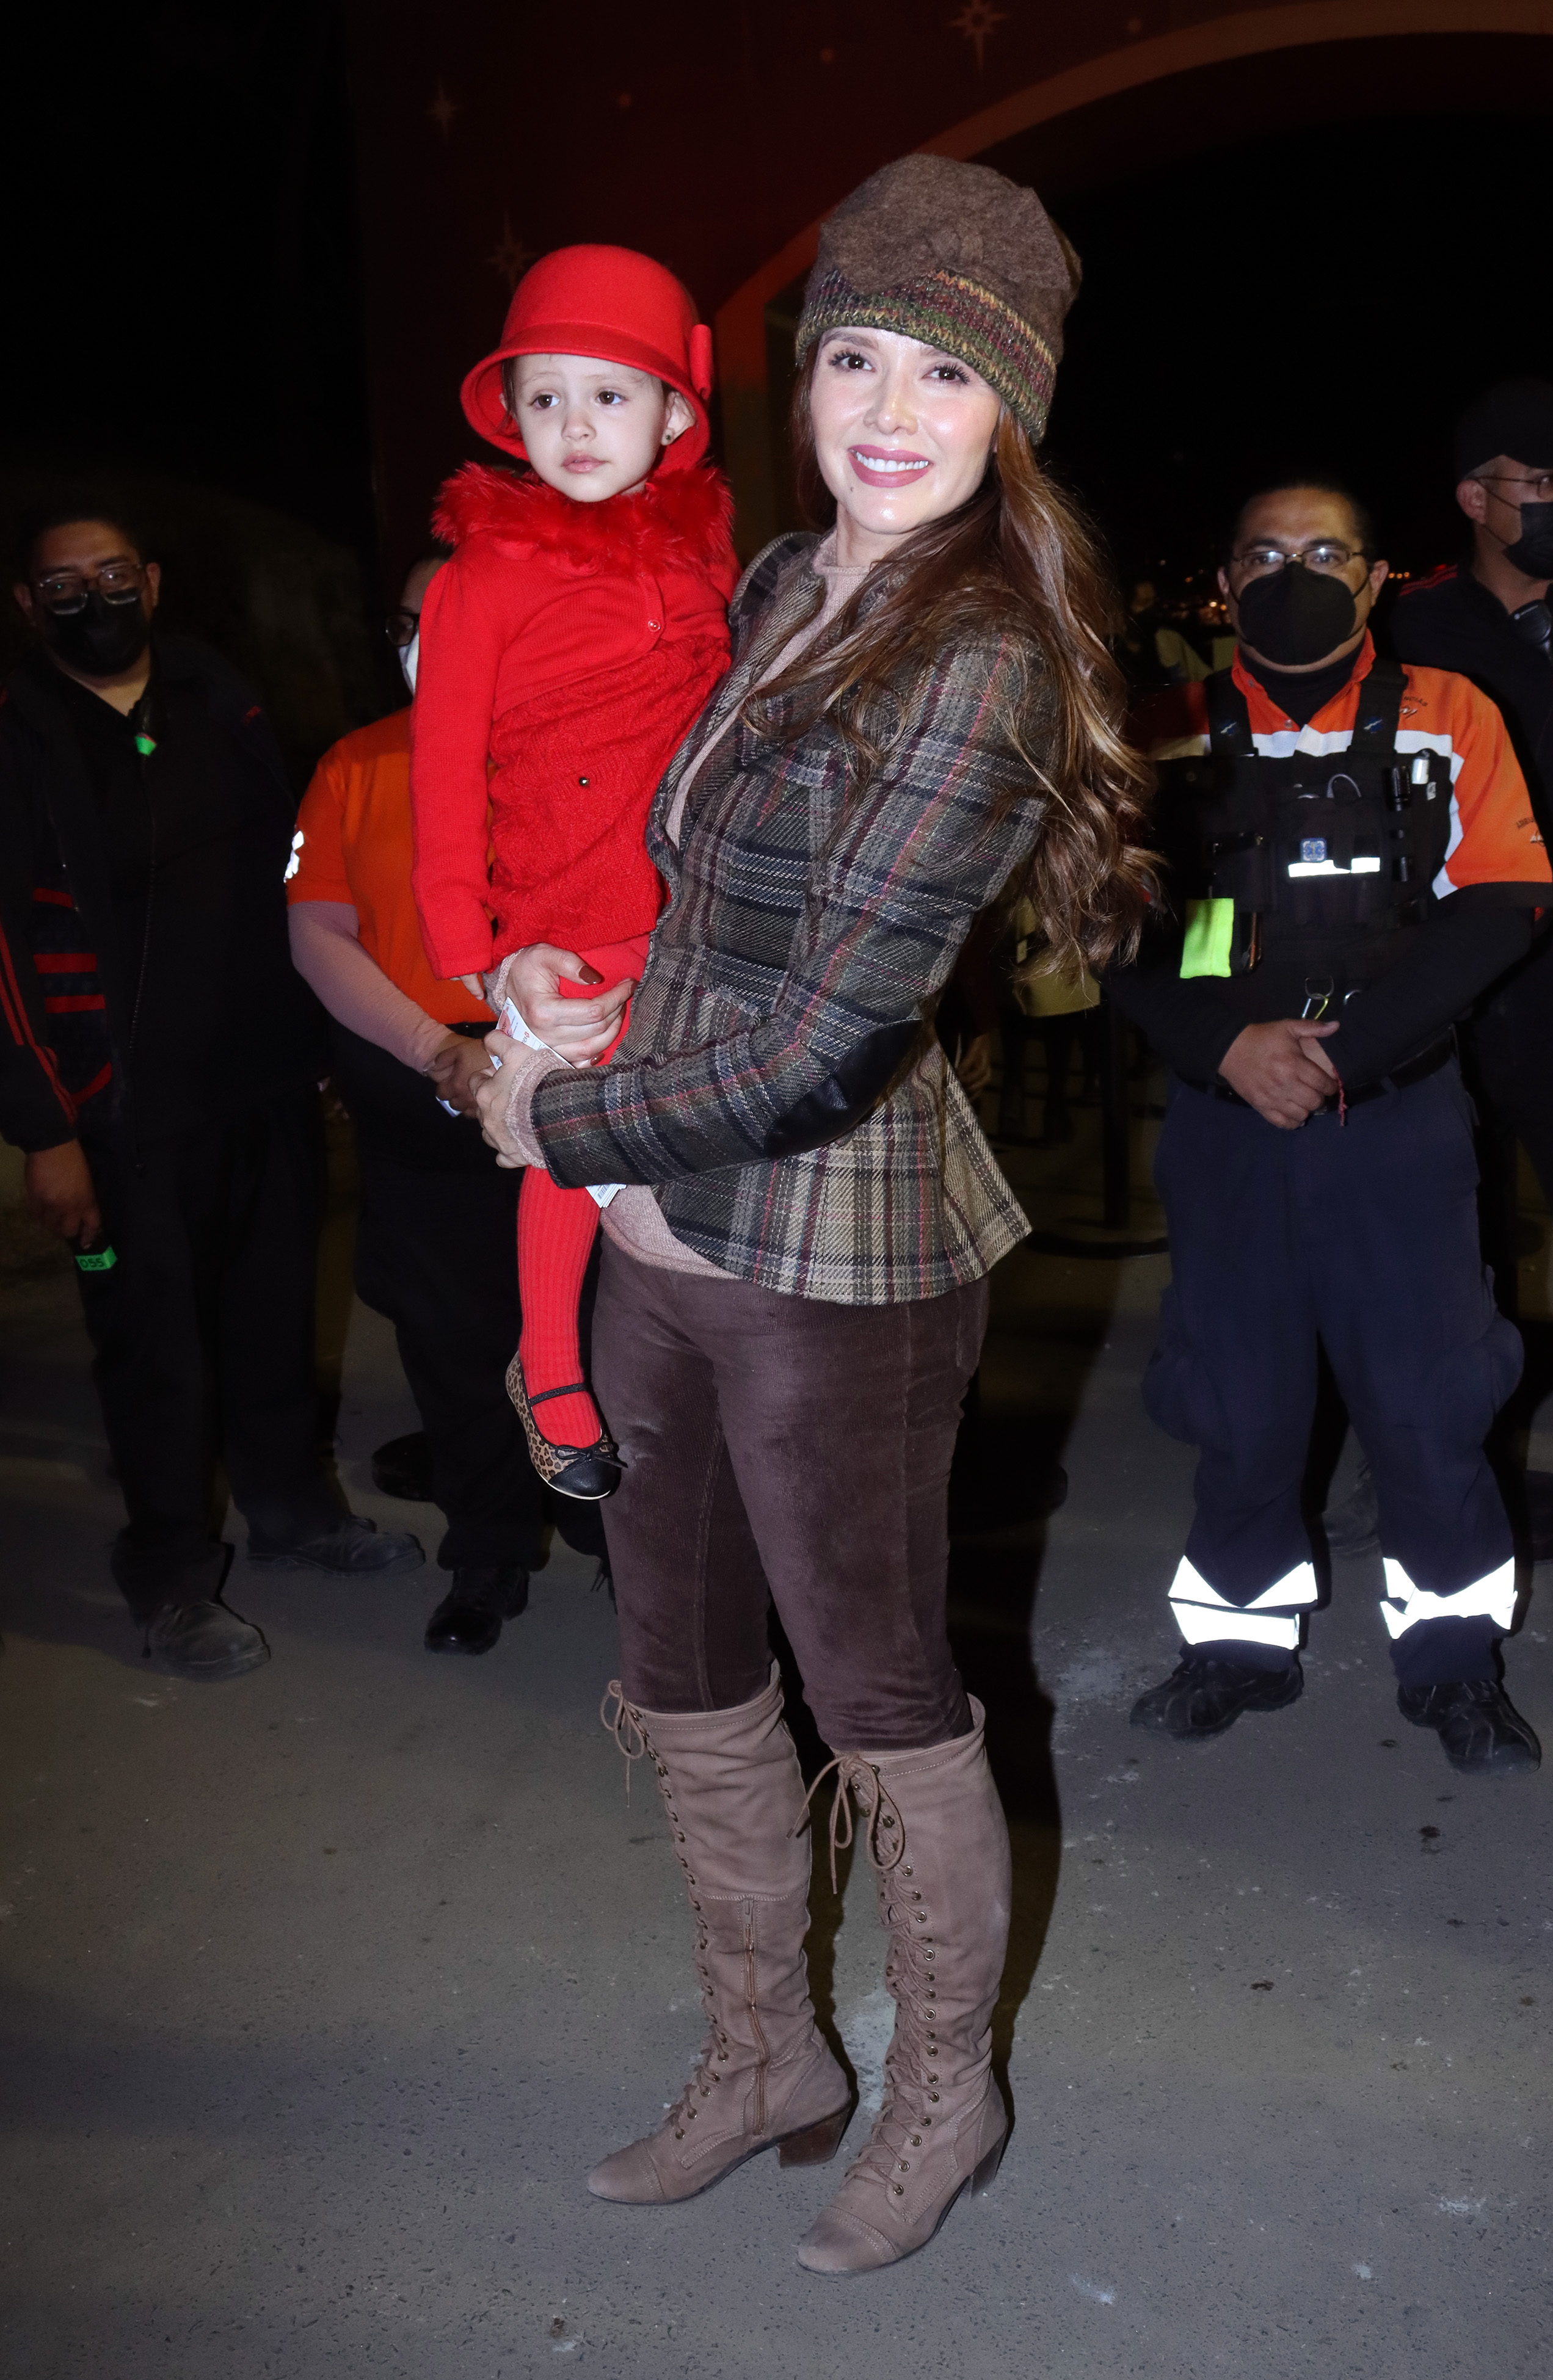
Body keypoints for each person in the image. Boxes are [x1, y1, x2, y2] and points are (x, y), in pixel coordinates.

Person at [472, 154, 1152, 2274]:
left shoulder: (982, 660)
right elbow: (702, 913)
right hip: (662, 1225)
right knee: (678, 1658)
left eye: (941, 370)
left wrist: (558, 1114)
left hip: (831, 1252)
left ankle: (946, 2081)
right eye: (853, 352)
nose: (884, 403)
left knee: (876, 1682)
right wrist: (543, 982)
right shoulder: (782, 582)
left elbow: (830, 1033)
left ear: (1008, 408)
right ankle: (766, 2046)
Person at [1109, 478, 1553, 1776]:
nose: (1291, 571)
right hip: (1226, 1119)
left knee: (1428, 1401)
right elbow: (1114, 929)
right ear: (1225, 579)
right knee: (1237, 1397)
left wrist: (1348, 1055)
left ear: (1372, 583)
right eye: (1262, 552)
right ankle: (1235, 1646)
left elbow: (1503, 902)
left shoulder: (1448, 714)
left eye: (1322, 552)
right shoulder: (1159, 730)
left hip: (1395, 1121)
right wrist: (1226, 1046)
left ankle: (1455, 1663)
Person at [0, 504, 421, 1681]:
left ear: (155, 580)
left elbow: (284, 878)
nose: (95, 598)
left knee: (272, 1318)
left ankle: (293, 1512)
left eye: (114, 574)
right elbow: (2, 958)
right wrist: (46, 1130)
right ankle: (174, 1578)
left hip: (260, 1083)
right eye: (64, 584)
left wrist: (321, 1037)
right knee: (155, 1356)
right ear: (28, 608)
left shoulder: (214, 696)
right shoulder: (20, 739)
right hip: (120, 1119)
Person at [409, 247, 738, 1498]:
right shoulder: (479, 576)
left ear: (672, 416)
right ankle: (546, 1359)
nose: (575, 425)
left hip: (693, 906)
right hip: (559, 919)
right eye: (545, 398)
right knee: (565, 1133)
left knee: (679, 1153)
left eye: (610, 394)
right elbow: (441, 773)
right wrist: (484, 958)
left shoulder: (707, 561)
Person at [288, 554, 599, 1656]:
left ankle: (620, 1540)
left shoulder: (589, 751)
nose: (431, 639)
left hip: (577, 1102)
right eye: (411, 620)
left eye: (459, 616)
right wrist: (437, 1052)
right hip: (420, 1097)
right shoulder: (358, 764)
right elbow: (317, 934)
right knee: (454, 1343)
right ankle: (489, 1552)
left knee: (605, 1332)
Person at [1393, 381, 1553, 1500]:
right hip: (1459, 982)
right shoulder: (1418, 631)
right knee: (1456, 1243)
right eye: (1541, 484)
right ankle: (1466, 1470)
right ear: (1476, 498)